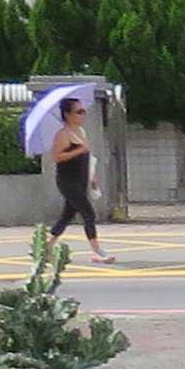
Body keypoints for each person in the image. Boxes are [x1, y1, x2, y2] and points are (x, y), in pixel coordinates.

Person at [41, 84, 105, 252]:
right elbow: (57, 157)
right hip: (68, 181)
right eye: (78, 111)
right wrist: (79, 150)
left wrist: (92, 177)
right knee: (89, 214)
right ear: (67, 115)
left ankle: (47, 248)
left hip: (81, 179)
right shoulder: (63, 135)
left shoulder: (80, 132)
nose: (82, 114)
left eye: (83, 111)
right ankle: (97, 251)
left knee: (67, 215)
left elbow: (87, 157)